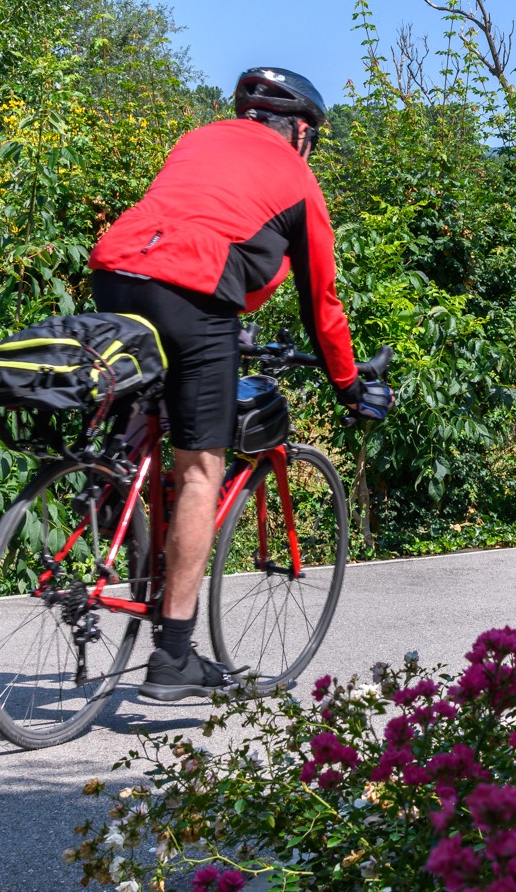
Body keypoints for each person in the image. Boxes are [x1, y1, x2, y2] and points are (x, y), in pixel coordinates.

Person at [89, 66, 393, 700]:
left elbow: (195, 227)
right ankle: (173, 654)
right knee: (201, 469)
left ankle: (108, 491)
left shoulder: (196, 141)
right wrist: (348, 384)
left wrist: (233, 318)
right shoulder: (298, 179)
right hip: (194, 298)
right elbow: (322, 301)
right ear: (302, 132)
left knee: (143, 419)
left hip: (115, 269)